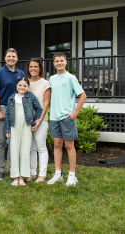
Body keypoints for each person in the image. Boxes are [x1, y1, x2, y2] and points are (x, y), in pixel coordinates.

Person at [47, 52, 86, 187]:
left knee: (69, 146)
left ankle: (72, 175)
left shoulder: (70, 78)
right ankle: (58, 173)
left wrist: (75, 113)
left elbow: (83, 95)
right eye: (57, 61)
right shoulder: (51, 79)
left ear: (66, 62)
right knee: (57, 145)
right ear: (53, 63)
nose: (59, 63)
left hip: (67, 117)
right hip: (54, 117)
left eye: (61, 61)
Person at [0, 48, 26, 181]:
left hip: (18, 109)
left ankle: (12, 168)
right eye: (9, 56)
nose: (11, 58)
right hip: (3, 108)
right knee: (0, 139)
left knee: (14, 140)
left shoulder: (21, 73)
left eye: (13, 56)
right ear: (5, 58)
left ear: (17, 58)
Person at [5, 77, 42, 186]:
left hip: (26, 126)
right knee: (14, 151)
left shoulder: (30, 96)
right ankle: (15, 177)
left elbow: (39, 109)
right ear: (16, 86)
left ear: (28, 87)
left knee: (25, 151)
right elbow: (7, 115)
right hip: (14, 126)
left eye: (25, 86)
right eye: (20, 85)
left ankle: (22, 177)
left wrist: (35, 122)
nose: (22, 87)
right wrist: (7, 129)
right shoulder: (11, 98)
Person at [26, 58, 51, 183]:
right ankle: (31, 173)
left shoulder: (45, 83)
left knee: (41, 146)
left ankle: (42, 174)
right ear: (28, 68)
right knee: (31, 148)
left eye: (36, 66)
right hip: (27, 120)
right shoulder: (26, 83)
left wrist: (40, 119)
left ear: (40, 68)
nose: (33, 69)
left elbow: (46, 103)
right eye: (31, 66)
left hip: (41, 120)